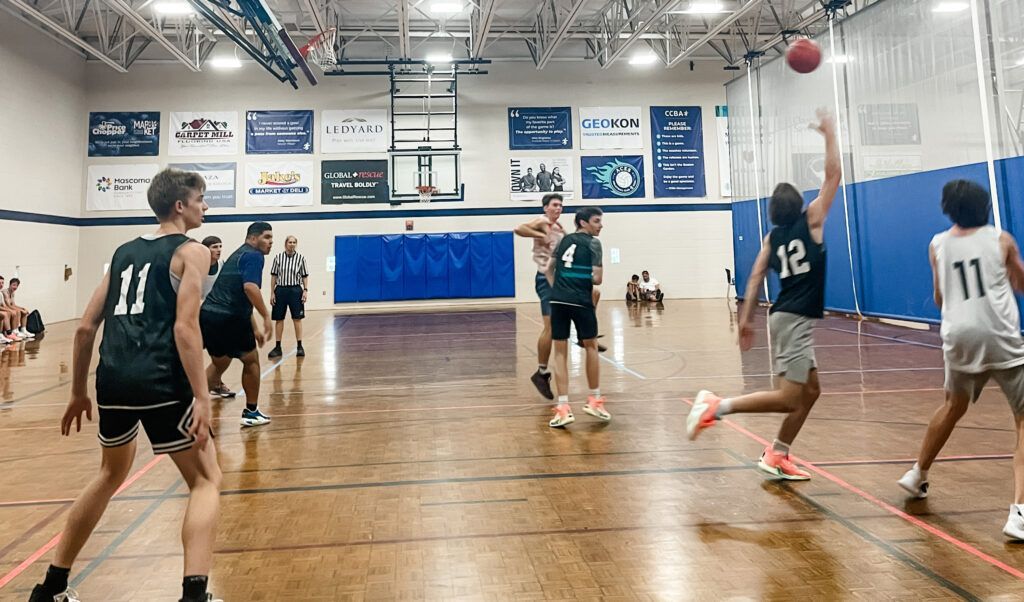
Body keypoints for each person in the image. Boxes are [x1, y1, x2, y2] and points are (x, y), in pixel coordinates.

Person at [28, 168, 222, 602]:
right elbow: (185, 329)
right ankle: (195, 596)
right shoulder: (194, 252)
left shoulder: (121, 252)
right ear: (180, 206)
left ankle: (50, 588)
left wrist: (78, 391)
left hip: (112, 378)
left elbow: (84, 329)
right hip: (161, 380)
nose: (205, 206)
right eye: (201, 198)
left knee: (109, 473)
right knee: (207, 479)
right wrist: (202, 395)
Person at [685, 109, 840, 480]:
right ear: (799, 205)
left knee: (811, 391)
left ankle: (777, 453)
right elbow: (833, 176)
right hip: (795, 319)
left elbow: (755, 277)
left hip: (782, 315)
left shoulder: (773, 237)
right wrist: (829, 133)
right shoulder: (813, 220)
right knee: (789, 397)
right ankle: (717, 406)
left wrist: (745, 319)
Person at [895, 180, 1024, 540]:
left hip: (957, 337)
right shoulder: (1001, 239)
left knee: (953, 405)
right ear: (983, 206)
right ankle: (1020, 513)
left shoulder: (936, 244)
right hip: (999, 336)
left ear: (947, 208)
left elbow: (939, 296)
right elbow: (1021, 282)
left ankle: (917, 473)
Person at [200, 222, 274, 427]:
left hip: (210, 315)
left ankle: (193, 409)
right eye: (266, 237)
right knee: (251, 360)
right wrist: (266, 316)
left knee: (220, 362)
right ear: (253, 237)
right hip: (228, 318)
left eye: (272, 239)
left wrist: (255, 327)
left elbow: (239, 297)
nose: (270, 243)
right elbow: (250, 288)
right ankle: (251, 412)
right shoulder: (253, 256)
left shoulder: (239, 253)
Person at [546, 206, 610, 428]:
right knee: (591, 346)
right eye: (596, 221)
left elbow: (547, 269)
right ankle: (594, 400)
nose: (600, 225)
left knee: (560, 353)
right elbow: (598, 279)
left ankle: (563, 407)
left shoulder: (563, 240)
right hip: (580, 299)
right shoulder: (594, 243)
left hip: (558, 300)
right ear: (583, 223)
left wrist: (559, 288)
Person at [514, 193, 565, 400]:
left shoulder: (560, 228)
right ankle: (541, 372)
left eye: (561, 205)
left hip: (560, 278)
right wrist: (540, 233)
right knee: (551, 326)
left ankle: (586, 336)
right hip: (546, 278)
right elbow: (519, 229)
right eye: (554, 205)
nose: (558, 208)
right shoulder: (543, 221)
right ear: (545, 208)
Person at [268, 235, 309, 359]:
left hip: (295, 290)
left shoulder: (301, 258)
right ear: (285, 243)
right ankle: (277, 347)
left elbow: (305, 276)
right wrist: (272, 292)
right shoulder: (278, 258)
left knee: (297, 318)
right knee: (279, 318)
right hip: (280, 290)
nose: (292, 244)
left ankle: (299, 346)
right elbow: (274, 276)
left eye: (294, 242)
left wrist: (305, 290)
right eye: (290, 242)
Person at [0, 275, 30, 342]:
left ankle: (21, 330)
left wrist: (22, 308)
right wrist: (10, 310)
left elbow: (11, 304)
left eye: (2, 283)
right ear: (10, 285)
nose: (15, 287)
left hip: (4, 308)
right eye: (13, 285)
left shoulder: (11, 293)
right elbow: (8, 305)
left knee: (21, 311)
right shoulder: (4, 292)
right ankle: (9, 332)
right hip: (5, 309)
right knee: (8, 313)